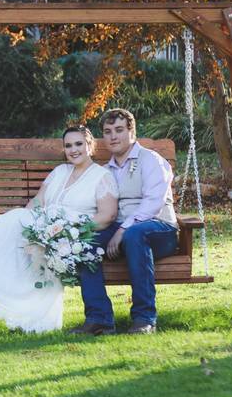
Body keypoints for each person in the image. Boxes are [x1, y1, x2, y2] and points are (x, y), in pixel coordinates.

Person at [0, 125, 118, 333]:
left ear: (90, 145)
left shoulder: (102, 176)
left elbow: (106, 216)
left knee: (16, 220)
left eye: (78, 144)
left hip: (71, 238)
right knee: (17, 218)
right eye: (68, 146)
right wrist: (33, 227)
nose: (73, 150)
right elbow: (38, 201)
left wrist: (68, 228)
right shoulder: (60, 171)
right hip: (43, 231)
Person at [70, 108, 179, 336]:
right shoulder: (105, 171)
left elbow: (153, 203)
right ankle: (99, 319)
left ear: (132, 132)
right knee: (85, 244)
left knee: (135, 234)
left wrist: (122, 230)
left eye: (119, 130)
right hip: (121, 233)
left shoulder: (151, 160)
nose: (113, 136)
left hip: (159, 228)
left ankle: (144, 318)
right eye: (108, 132)